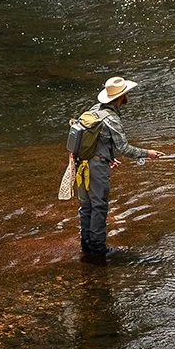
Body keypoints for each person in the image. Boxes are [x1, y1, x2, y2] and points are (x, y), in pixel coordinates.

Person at [67, 75, 165, 262]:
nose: (128, 96)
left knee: (86, 207)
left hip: (82, 164)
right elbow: (124, 148)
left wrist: (108, 157)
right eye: (126, 94)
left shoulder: (94, 110)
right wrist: (147, 153)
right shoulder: (112, 119)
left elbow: (94, 139)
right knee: (99, 206)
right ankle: (98, 250)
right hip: (96, 168)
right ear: (121, 97)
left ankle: (86, 246)